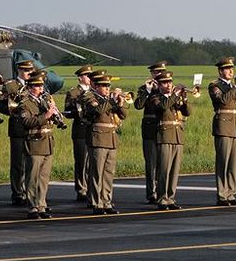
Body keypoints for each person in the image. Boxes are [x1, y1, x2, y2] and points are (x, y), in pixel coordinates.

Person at [208, 57, 236, 206]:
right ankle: (221, 195)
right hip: (224, 126)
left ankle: (231, 194)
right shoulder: (215, 85)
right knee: (223, 162)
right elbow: (223, 100)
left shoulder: (234, 86)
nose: (231, 71)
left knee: (233, 163)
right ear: (220, 71)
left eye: (232, 68)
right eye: (227, 69)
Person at [83, 74, 128, 215]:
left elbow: (123, 115)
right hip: (98, 138)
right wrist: (111, 100)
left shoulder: (109, 100)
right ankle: (97, 203)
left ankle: (107, 201)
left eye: (108, 86)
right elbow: (97, 110)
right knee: (97, 172)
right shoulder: (90, 97)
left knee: (108, 173)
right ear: (95, 86)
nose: (107, 88)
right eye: (103, 86)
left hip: (111, 139)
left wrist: (120, 103)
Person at [17, 73, 58, 219]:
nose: (40, 88)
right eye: (36, 86)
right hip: (34, 142)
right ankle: (32, 206)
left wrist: (55, 114)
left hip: (47, 142)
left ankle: (41, 205)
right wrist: (45, 116)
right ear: (29, 87)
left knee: (44, 177)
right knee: (33, 176)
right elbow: (27, 122)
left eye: (41, 86)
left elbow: (54, 119)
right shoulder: (25, 103)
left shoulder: (45, 100)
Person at [150, 71, 191, 210]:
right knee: (164, 169)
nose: (168, 85)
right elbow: (162, 107)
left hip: (177, 136)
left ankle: (171, 198)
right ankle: (162, 198)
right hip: (165, 136)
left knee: (174, 171)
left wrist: (184, 99)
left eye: (170, 82)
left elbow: (188, 112)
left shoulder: (175, 98)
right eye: (165, 83)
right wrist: (174, 95)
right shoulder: (156, 97)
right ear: (159, 85)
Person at [0, 59, 34, 206]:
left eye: (30, 71)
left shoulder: (35, 85)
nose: (28, 74)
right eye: (25, 71)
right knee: (18, 162)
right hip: (18, 127)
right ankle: (18, 193)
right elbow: (0, 105)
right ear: (19, 71)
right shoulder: (11, 85)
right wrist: (13, 109)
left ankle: (30, 191)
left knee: (32, 162)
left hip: (33, 127)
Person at [134, 61, 168, 204]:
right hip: (150, 127)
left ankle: (162, 191)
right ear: (152, 74)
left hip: (165, 128)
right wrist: (148, 91)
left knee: (163, 162)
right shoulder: (145, 89)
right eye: (156, 73)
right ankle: (151, 192)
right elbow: (138, 105)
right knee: (151, 162)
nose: (159, 75)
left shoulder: (167, 88)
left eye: (161, 72)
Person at [63, 64, 93, 202]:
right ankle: (81, 189)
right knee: (81, 161)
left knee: (92, 162)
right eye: (88, 76)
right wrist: (79, 110)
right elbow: (67, 112)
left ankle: (92, 188)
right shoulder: (74, 92)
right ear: (81, 78)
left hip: (93, 129)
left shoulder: (94, 91)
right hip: (80, 129)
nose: (90, 78)